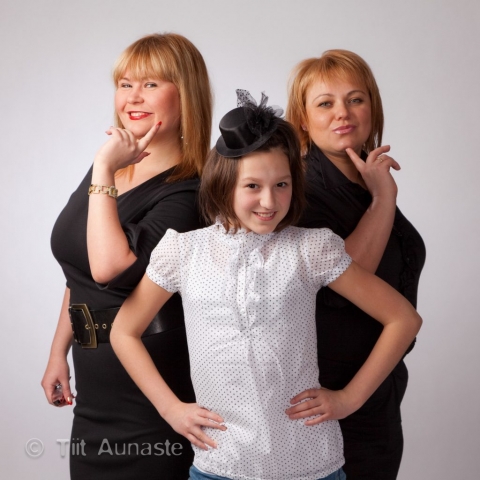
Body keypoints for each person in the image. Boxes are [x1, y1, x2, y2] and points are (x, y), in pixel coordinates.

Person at [110, 91, 422, 480]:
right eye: (253, 186)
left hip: (311, 465)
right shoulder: (183, 251)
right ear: (224, 184)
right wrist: (170, 408)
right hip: (219, 465)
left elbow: (403, 319)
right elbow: (124, 331)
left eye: (282, 184)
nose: (269, 201)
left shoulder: (311, 248)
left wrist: (349, 399)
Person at [41, 33, 212, 479]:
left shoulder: (191, 191)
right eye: (125, 83)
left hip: (151, 390)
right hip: (94, 388)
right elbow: (79, 270)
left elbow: (110, 267)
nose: (133, 97)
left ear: (186, 93)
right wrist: (58, 351)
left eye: (151, 84)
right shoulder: (111, 169)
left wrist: (103, 168)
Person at [286, 50, 426, 479]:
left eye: (355, 99)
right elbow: (345, 281)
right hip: (331, 394)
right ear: (303, 120)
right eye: (325, 103)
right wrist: (384, 199)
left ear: (372, 107)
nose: (342, 113)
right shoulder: (301, 189)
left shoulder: (364, 179)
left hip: (376, 389)